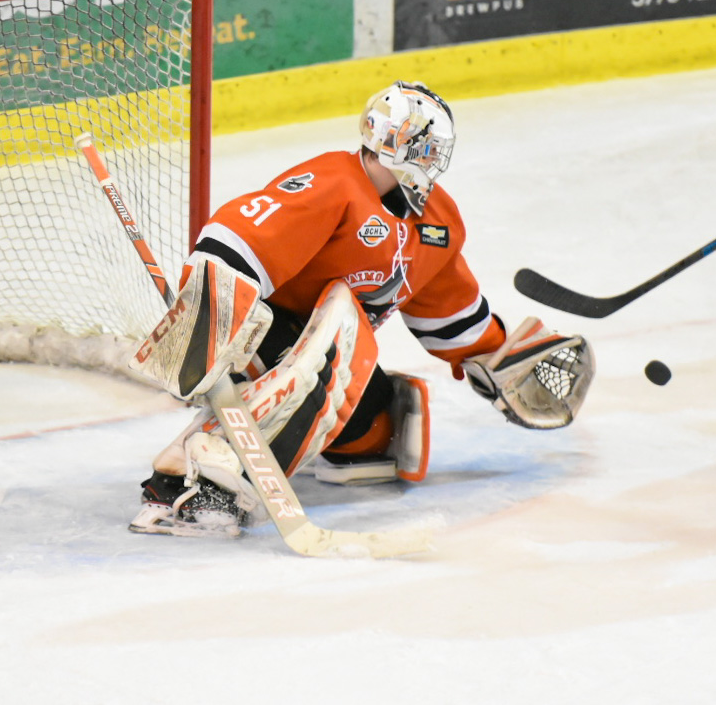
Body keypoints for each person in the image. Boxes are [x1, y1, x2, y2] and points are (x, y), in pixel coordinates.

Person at [127, 80, 596, 538]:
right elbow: (239, 238)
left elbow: (449, 312)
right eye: (431, 148)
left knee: (377, 436)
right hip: (260, 332)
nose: (435, 161)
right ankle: (185, 485)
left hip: (332, 343)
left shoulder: (436, 221)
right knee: (335, 355)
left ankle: (288, 435)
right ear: (408, 147)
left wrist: (497, 359)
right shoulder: (334, 182)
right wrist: (206, 320)